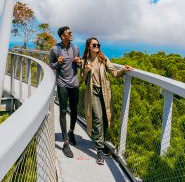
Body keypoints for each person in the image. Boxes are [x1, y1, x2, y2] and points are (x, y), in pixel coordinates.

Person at [81, 37, 133, 165]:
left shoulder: (103, 59)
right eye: (94, 45)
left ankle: (100, 141)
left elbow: (114, 73)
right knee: (98, 118)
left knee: (105, 119)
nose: (97, 46)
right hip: (92, 92)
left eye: (98, 44)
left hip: (104, 92)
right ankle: (99, 149)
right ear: (89, 47)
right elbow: (81, 79)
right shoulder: (85, 61)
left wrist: (123, 70)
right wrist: (86, 71)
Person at [49, 26, 82, 158]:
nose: (71, 34)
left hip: (74, 84)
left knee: (74, 110)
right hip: (62, 84)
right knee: (63, 111)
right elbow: (51, 65)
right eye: (69, 33)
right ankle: (65, 142)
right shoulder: (54, 49)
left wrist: (79, 62)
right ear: (63, 36)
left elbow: (79, 63)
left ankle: (71, 131)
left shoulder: (76, 48)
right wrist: (57, 63)